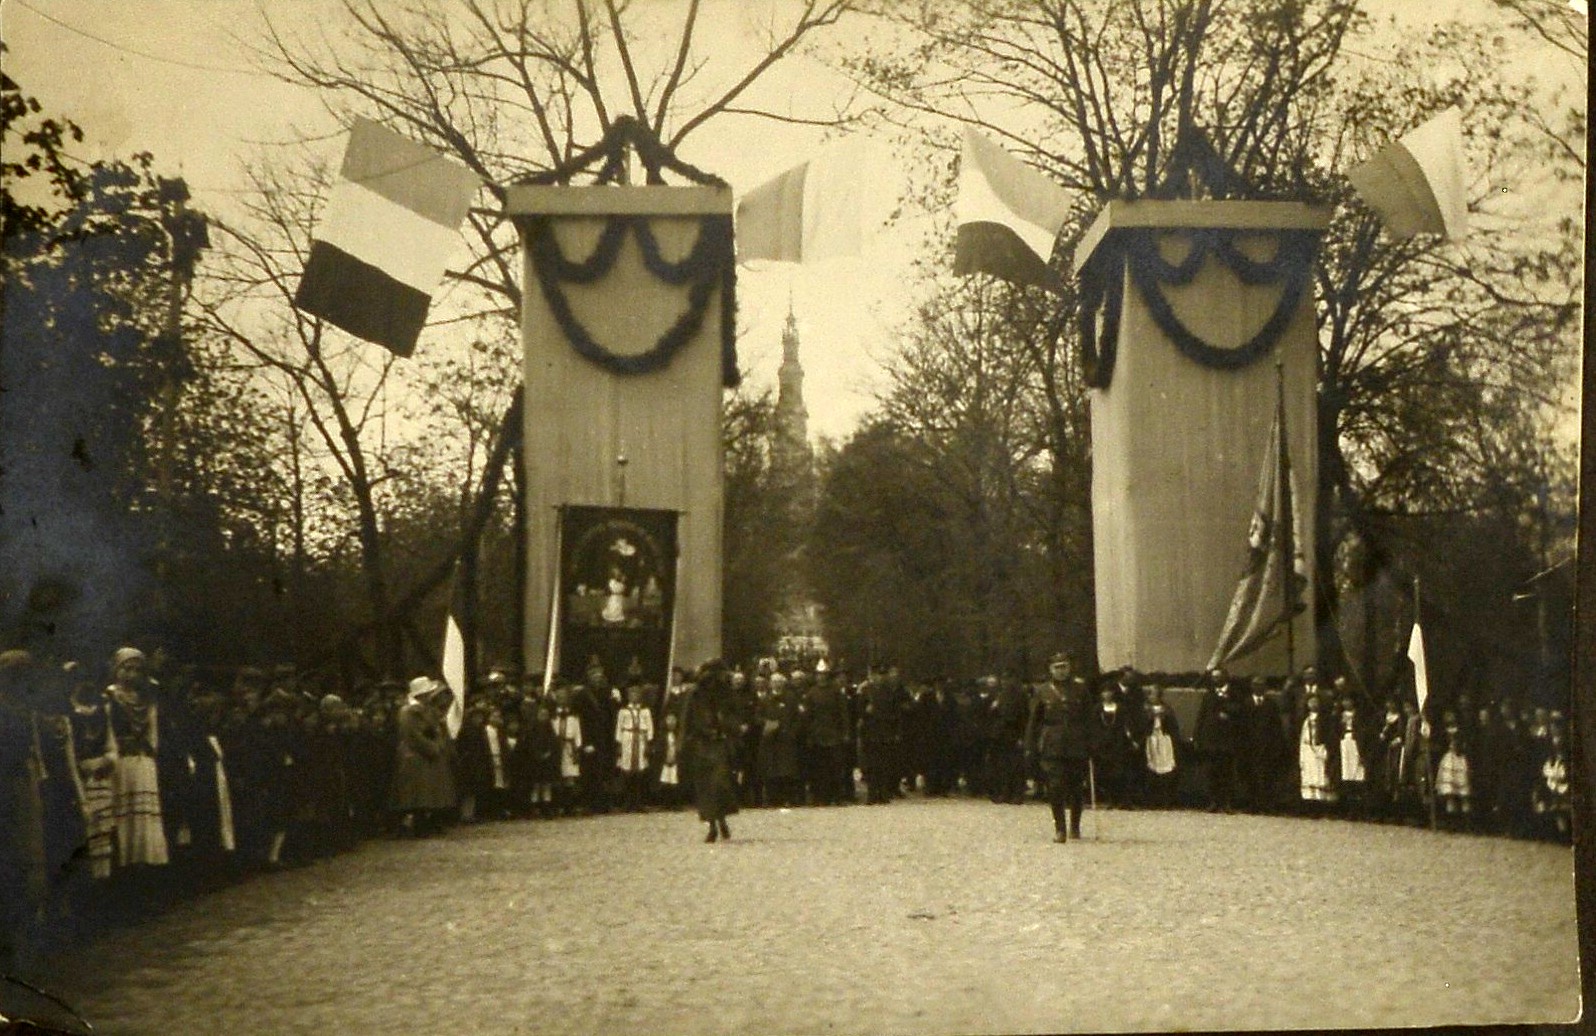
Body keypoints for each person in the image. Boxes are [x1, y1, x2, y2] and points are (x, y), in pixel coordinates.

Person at [104, 647, 169, 868]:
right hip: (120, 761)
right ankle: (123, 860)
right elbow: (107, 729)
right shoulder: (109, 696)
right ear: (116, 669)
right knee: (122, 812)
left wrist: (151, 748)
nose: (131, 674)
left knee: (144, 813)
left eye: (136, 670)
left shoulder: (147, 698)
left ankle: (144, 860)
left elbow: (153, 731)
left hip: (143, 761)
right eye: (126, 668)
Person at [1024, 654, 1091, 843]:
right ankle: (1060, 829)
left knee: (1076, 787)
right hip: (1052, 744)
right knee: (1055, 787)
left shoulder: (1080, 690)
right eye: (1057, 667)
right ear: (1050, 670)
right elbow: (1033, 722)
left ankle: (1075, 826)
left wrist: (1091, 743)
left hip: (1076, 744)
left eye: (1064, 666)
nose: (1061, 671)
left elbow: (1089, 719)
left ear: (1069, 668)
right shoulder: (1042, 691)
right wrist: (1030, 745)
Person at [680, 660, 742, 842]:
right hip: (701, 744)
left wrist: (726, 729)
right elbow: (688, 720)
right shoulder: (695, 694)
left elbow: (733, 715)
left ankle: (720, 820)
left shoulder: (725, 693)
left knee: (719, 783)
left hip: (720, 743)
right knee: (705, 787)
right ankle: (713, 825)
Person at [387, 678, 457, 836]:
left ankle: (428, 821)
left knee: (428, 792)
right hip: (415, 756)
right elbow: (413, 735)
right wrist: (433, 747)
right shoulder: (409, 712)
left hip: (426, 755)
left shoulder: (424, 710)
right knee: (416, 794)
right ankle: (416, 824)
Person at [1193, 668, 1243, 813]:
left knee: (1227, 772)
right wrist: (1197, 736)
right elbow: (1201, 716)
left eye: (1217, 677)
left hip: (1228, 740)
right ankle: (1214, 801)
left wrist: (1227, 711)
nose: (1214, 680)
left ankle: (1227, 802)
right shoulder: (1209, 695)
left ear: (1225, 678)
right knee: (1212, 772)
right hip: (1211, 740)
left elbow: (1240, 711)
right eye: (1213, 677)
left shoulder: (1234, 694)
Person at [1141, 684, 1182, 808]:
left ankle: (1167, 800)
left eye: (1154, 694)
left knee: (1166, 769)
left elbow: (1173, 727)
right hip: (1150, 740)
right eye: (1151, 694)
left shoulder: (1167, 709)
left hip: (1164, 740)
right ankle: (1152, 800)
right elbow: (1141, 725)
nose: (1152, 696)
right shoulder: (1145, 709)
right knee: (1151, 768)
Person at [615, 684, 654, 812]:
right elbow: (619, 728)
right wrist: (619, 744)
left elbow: (650, 727)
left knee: (640, 771)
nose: (634, 696)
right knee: (627, 770)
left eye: (637, 694)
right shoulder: (623, 711)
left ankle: (639, 802)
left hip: (641, 739)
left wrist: (648, 742)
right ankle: (627, 802)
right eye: (632, 694)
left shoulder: (645, 711)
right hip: (628, 738)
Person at [1296, 692, 1336, 816]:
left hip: (1319, 748)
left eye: (1315, 702)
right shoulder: (1304, 718)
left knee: (1319, 774)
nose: (1313, 704)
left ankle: (1320, 805)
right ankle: (1309, 804)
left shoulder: (1324, 719)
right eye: (1311, 702)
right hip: (1307, 748)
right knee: (1308, 775)